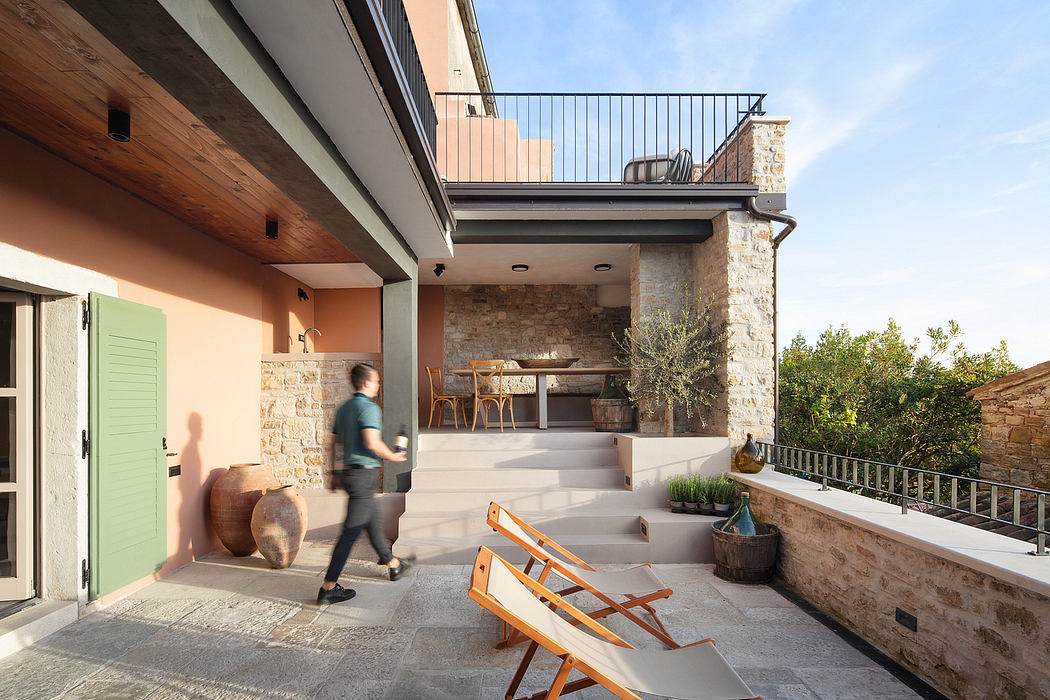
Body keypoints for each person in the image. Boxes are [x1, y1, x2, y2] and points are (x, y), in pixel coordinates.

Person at [318, 363, 411, 605]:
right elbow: (371, 442)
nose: (378, 385)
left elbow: (333, 444)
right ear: (367, 383)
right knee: (350, 533)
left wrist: (333, 473)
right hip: (362, 476)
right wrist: (392, 456)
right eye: (377, 381)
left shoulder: (344, 408)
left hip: (350, 474)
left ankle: (393, 564)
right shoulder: (368, 408)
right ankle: (328, 587)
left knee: (372, 523)